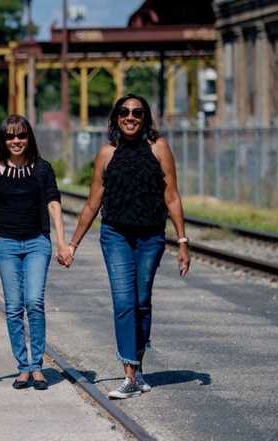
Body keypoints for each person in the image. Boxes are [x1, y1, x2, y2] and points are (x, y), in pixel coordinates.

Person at [62, 94, 191, 399]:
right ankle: (129, 375)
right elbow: (93, 202)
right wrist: (72, 244)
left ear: (145, 118)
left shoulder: (158, 149)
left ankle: (138, 366)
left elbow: (171, 196)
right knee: (124, 302)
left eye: (137, 112)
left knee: (142, 302)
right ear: (116, 118)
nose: (130, 117)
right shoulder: (107, 154)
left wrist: (182, 242)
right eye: (124, 112)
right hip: (115, 235)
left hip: (150, 237)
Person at [0, 114, 68, 390]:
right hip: (6, 246)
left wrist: (61, 242)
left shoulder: (43, 169)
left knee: (34, 302)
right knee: (13, 308)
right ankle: (23, 367)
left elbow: (54, 204)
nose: (16, 140)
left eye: (21, 135)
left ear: (29, 137)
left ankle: (37, 367)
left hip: (37, 243)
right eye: (10, 136)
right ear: (3, 140)